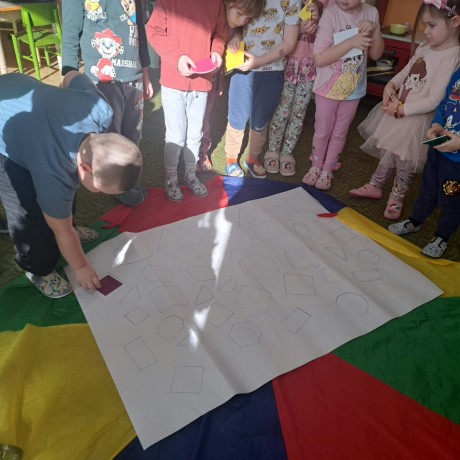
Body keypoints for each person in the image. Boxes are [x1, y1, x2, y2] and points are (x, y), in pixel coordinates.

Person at [0, 72, 143, 298]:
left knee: (63, 200)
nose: (99, 194)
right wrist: (81, 267)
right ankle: (36, 268)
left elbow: (72, 75)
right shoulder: (55, 173)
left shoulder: (100, 109)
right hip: (5, 133)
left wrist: (59, 102)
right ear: (85, 169)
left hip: (17, 84)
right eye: (100, 189)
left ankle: (70, 228)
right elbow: (61, 229)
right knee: (24, 208)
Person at [349, 0, 460, 220]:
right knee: (389, 150)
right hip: (398, 110)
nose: (426, 31)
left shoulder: (453, 56)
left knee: (405, 160)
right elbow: (407, 71)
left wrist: (402, 108)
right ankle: (375, 184)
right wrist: (391, 84)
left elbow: (435, 99)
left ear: (455, 22)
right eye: (424, 25)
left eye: (432, 25)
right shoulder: (425, 46)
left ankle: (397, 196)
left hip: (415, 119)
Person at [62, 0, 154, 208]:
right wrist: (69, 79)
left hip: (134, 76)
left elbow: (140, 31)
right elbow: (70, 34)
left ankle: (127, 180)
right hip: (102, 80)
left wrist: (145, 73)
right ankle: (116, 185)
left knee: (133, 134)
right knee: (110, 137)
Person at [147, 0, 227, 202]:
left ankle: (190, 175)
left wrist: (217, 51)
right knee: (175, 135)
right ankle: (171, 178)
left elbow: (219, 33)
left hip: (202, 81)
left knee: (195, 134)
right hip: (173, 81)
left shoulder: (216, 3)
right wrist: (177, 57)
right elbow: (154, 30)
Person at [302, 0, 384, 190]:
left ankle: (327, 169)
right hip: (326, 89)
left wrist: (376, 29)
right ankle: (316, 166)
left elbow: (376, 54)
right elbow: (319, 58)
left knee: (340, 133)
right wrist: (351, 42)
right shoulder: (330, 14)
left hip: (353, 90)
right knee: (322, 131)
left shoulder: (371, 12)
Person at [224, 0, 306, 179]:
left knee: (261, 119)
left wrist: (258, 61)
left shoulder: (292, 2)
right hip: (242, 67)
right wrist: (235, 37)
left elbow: (289, 43)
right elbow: (236, 21)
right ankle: (231, 159)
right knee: (237, 116)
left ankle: (252, 158)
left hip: (272, 71)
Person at [388, 65, 460, 259]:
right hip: (439, 149)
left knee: (452, 200)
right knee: (428, 188)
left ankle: (442, 236)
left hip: (457, 162)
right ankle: (415, 221)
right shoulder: (458, 73)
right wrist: (436, 124)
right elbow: (445, 102)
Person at [264, 0, 334, 177]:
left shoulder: (328, 5)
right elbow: (272, 28)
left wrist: (317, 24)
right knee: (282, 109)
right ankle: (273, 149)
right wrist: (298, 30)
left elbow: (331, 35)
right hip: (287, 62)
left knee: (299, 112)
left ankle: (287, 151)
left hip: (310, 66)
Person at [197, 0, 267, 173]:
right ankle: (193, 153)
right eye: (239, 14)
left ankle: (202, 153)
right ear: (229, 3)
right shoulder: (212, 17)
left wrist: (236, 36)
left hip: (212, 80)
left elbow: (223, 60)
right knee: (195, 119)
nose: (242, 21)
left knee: (204, 119)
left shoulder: (235, 27)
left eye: (247, 18)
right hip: (197, 76)